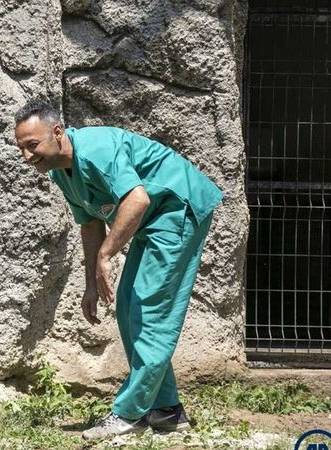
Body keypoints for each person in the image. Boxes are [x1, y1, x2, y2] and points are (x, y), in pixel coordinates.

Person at [13, 99, 223, 440]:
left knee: (150, 311)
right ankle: (166, 409)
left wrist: (107, 255)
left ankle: (130, 414)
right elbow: (90, 222)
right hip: (150, 220)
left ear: (57, 132)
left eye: (32, 145)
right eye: (21, 148)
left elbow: (137, 199)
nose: (26, 156)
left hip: (175, 209)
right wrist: (91, 285)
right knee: (128, 308)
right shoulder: (61, 171)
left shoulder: (95, 150)